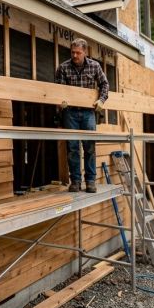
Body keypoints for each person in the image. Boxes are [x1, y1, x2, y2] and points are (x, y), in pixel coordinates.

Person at [55, 38, 109, 193]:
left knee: (89, 147)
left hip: (88, 112)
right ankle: (76, 181)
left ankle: (90, 181)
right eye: (72, 52)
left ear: (85, 52)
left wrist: (101, 100)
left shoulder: (95, 66)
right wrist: (60, 101)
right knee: (72, 148)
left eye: (78, 53)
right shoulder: (63, 68)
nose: (74, 55)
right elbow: (58, 88)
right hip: (70, 112)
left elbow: (104, 84)